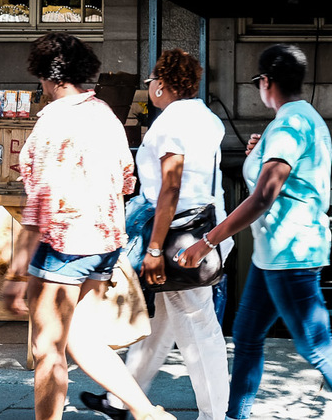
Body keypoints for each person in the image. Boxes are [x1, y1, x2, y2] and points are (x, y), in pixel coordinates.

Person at [177, 44, 332, 420]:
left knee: (316, 345)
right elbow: (279, 171)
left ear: (266, 81)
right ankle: (235, 415)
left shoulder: (288, 124)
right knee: (248, 336)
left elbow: (264, 195)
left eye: (257, 82)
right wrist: (259, 149)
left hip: (290, 253)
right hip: (275, 255)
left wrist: (207, 241)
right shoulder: (301, 118)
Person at [1, 32, 174, 420]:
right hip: (105, 241)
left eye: (41, 79)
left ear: (50, 75)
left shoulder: (53, 122)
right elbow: (127, 180)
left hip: (64, 242)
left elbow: (38, 206)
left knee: (48, 349)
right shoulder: (105, 114)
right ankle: (148, 413)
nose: (41, 87)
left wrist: (15, 274)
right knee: (81, 340)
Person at [81, 49, 231, 420]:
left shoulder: (170, 124)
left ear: (161, 85)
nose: (149, 87)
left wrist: (151, 248)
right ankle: (121, 400)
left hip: (177, 238)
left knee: (199, 329)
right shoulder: (208, 118)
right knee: (162, 322)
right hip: (204, 229)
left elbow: (170, 189)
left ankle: (213, 415)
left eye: (150, 82)